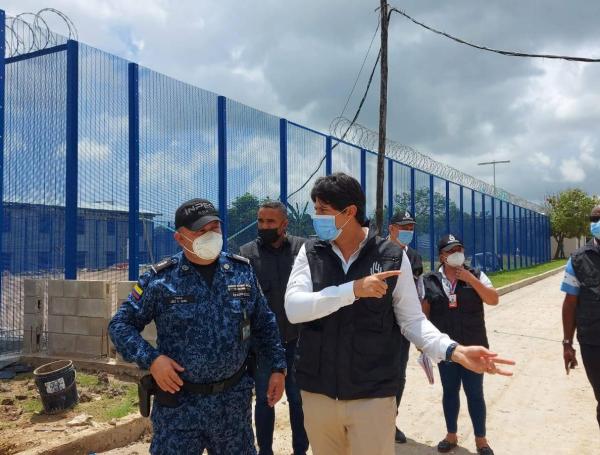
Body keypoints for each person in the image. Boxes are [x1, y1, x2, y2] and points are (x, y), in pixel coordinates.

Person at [284, 173, 514, 455]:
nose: (316, 217)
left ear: (350, 212)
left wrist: (454, 350)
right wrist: (353, 290)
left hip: (372, 395)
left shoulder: (391, 256)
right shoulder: (310, 253)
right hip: (318, 393)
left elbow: (412, 320)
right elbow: (294, 308)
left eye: (323, 210)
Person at [109, 198, 287, 455]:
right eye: (201, 231)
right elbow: (120, 325)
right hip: (179, 407)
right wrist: (153, 360)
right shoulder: (160, 280)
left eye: (215, 228)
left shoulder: (241, 272)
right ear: (180, 239)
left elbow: (265, 322)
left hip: (232, 406)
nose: (210, 235)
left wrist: (278, 368)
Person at [239, 200, 309, 455]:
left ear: (284, 225)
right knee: (265, 401)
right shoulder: (247, 254)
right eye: (260, 221)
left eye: (270, 222)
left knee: (298, 401)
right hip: (265, 347)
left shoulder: (302, 250)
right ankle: (265, 451)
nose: (264, 226)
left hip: (298, 342)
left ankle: (300, 451)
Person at [421, 234, 500, 455]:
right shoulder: (429, 280)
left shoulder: (477, 274)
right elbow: (423, 315)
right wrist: (425, 345)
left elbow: (493, 299)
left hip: (474, 347)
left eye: (459, 249)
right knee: (450, 391)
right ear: (441, 256)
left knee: (475, 393)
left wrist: (470, 280)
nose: (456, 254)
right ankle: (451, 435)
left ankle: (481, 440)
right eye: (451, 251)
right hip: (446, 349)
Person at [561, 204, 600, 428]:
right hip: (593, 342)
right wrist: (567, 343)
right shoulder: (578, 260)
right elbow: (570, 302)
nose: (598, 223)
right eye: (595, 219)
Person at [388, 210, 423, 444]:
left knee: (398, 375)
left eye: (411, 228)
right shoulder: (378, 252)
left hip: (401, 327)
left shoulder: (415, 257)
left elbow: (419, 292)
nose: (407, 231)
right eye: (403, 227)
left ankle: (391, 421)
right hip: (376, 324)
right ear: (391, 228)